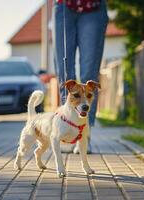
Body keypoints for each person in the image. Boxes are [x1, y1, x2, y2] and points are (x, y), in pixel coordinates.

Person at [52, 0, 109, 153]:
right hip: (64, 6)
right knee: (65, 74)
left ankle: (84, 137)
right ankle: (69, 133)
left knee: (89, 74)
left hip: (93, 7)